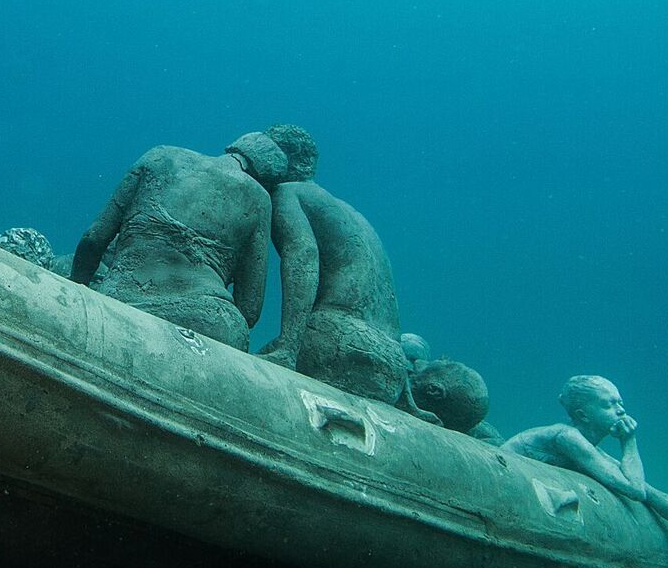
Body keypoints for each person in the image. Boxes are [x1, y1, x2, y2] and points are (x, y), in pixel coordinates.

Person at [503, 376, 668, 568]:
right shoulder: (567, 438)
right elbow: (635, 491)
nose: (620, 410)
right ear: (583, 415)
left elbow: (653, 495)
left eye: (620, 402)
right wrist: (629, 442)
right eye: (609, 404)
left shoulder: (591, 450)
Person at [259, 125, 434, 421]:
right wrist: (406, 398)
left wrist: (288, 347)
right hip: (390, 364)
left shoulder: (289, 193)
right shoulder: (355, 217)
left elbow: (302, 258)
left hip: (338, 342)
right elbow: (385, 301)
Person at [71, 132, 287, 350]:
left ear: (234, 147)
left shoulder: (160, 156)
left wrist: (78, 288)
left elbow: (93, 239)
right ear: (267, 179)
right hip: (208, 320)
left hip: (123, 297)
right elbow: (250, 307)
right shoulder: (260, 199)